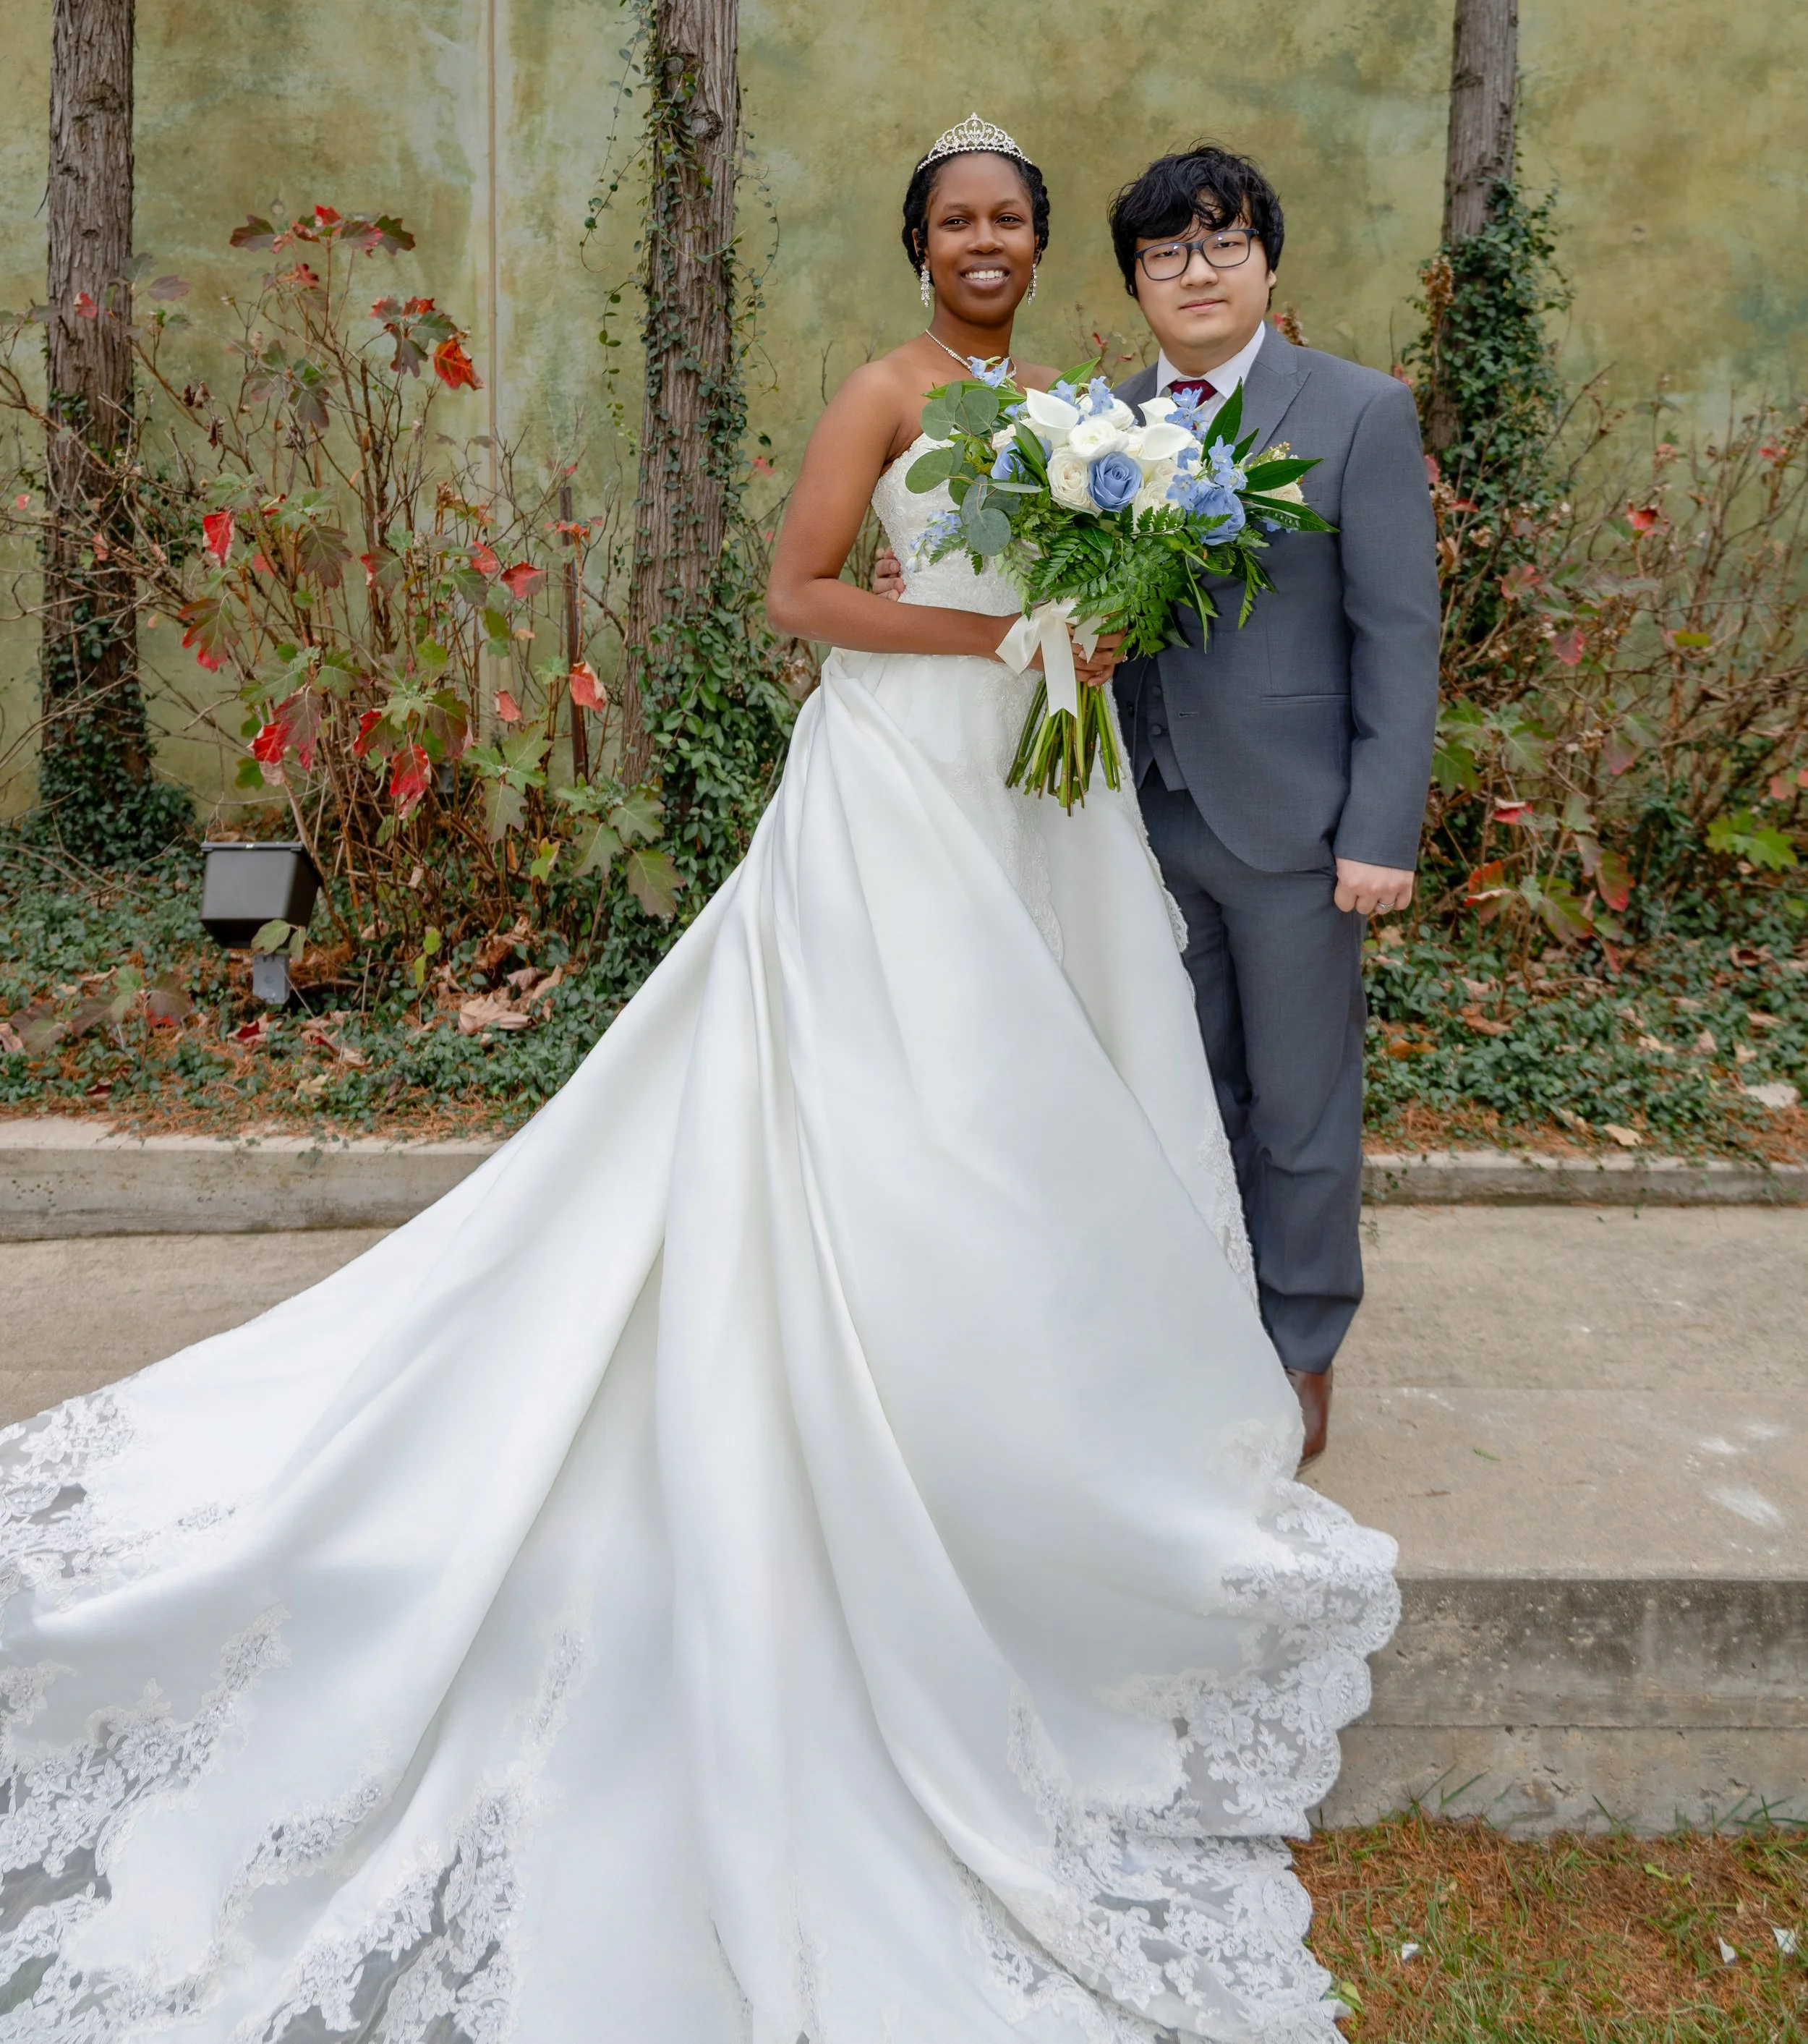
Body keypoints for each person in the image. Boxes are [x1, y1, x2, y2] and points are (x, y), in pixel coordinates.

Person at [0, 119, 1396, 2043]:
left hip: (1033, 812)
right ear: (919, 243)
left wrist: (1094, 609)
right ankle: (862, 1377)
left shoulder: (1079, 401)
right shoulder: (884, 392)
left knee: (1035, 1109)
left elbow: (1119, 585)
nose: (985, 243)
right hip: (896, 791)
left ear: (1036, 245)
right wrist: (989, 629)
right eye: (956, 222)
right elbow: (800, 598)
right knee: (888, 1116)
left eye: (1009, 221)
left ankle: (1021, 1391)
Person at [877, 145, 1441, 1465]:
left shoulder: (1359, 412)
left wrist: (1379, 831)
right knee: (1174, 1089)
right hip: (1129, 816)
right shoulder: (1090, 418)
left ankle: (1299, 1343)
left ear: (1268, 262)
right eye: (1166, 253)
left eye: (1222, 244)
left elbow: (1399, 636)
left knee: (1303, 1105)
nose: (1197, 272)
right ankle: (1192, 1326)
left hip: (1299, 830)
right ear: (1134, 278)